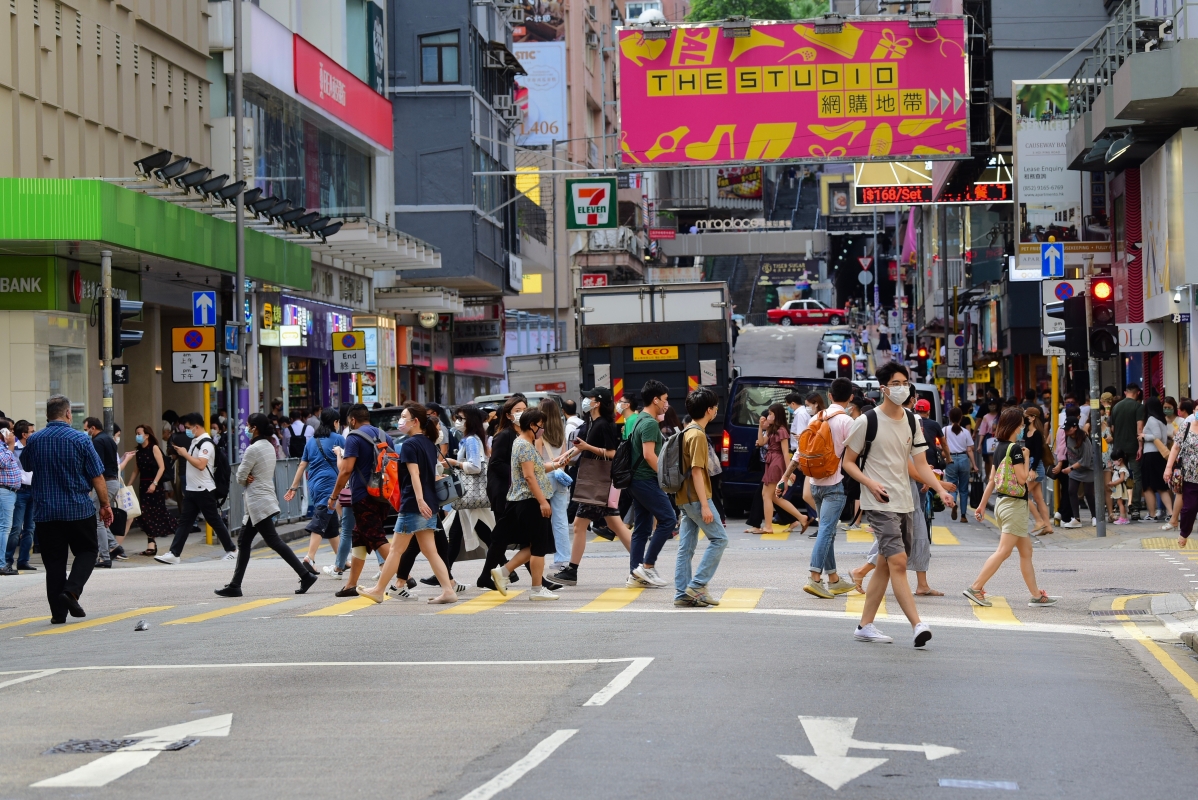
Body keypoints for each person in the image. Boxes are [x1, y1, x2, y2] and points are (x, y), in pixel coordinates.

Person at [840, 362, 954, 648]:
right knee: (899, 561)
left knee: (885, 563)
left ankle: (864, 625)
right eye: (896, 383)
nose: (903, 388)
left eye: (905, 383)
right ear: (884, 388)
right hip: (879, 502)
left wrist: (940, 489)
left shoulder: (913, 421)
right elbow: (848, 462)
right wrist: (870, 483)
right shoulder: (867, 421)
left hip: (905, 502)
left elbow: (921, 464)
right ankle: (918, 625)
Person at [20, 395, 113, 623]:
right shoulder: (81, 439)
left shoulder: (34, 440)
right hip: (77, 509)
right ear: (68, 414)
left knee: (54, 563)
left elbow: (26, 466)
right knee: (88, 551)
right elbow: (97, 476)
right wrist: (105, 505)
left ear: (47, 415)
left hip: (46, 512)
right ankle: (71, 592)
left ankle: (58, 615)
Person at [357, 403, 458, 605]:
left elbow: (414, 474)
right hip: (430, 504)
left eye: (404, 417)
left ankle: (378, 590)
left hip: (414, 504)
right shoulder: (429, 443)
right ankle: (448, 590)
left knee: (395, 550)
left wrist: (419, 500)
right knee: (430, 551)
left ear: (415, 421)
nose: (400, 421)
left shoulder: (410, 445)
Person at [214, 414, 317, 597]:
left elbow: (240, 476)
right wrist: (247, 476)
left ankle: (305, 575)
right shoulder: (269, 445)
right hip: (263, 499)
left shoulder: (253, 449)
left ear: (255, 428)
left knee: (273, 541)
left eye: (248, 426)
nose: (246, 429)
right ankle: (235, 585)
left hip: (258, 502)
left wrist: (246, 477)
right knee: (244, 541)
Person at [965, 407, 1058, 608]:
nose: (1023, 427)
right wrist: (1027, 457)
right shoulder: (1015, 449)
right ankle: (975, 587)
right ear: (1016, 426)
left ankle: (1036, 595)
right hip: (1014, 506)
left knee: (1026, 551)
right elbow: (1023, 479)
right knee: (1004, 551)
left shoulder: (1000, 447)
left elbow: (992, 480)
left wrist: (981, 505)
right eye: (1022, 424)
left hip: (1003, 504)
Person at [776, 377, 856, 599]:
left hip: (814, 483)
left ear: (829, 396)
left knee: (826, 531)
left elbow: (800, 453)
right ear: (850, 398)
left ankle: (834, 580)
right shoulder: (847, 422)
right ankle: (814, 577)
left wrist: (785, 477)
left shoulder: (816, 417)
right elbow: (856, 454)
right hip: (835, 485)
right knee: (826, 531)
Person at [552, 387, 633, 587]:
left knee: (579, 525)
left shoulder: (604, 424)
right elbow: (580, 446)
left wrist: (587, 448)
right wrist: (563, 458)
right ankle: (643, 564)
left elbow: (612, 453)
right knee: (616, 524)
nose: (586, 400)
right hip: (594, 480)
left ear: (598, 403)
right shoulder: (590, 422)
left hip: (598, 481)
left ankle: (572, 571)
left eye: (590, 398)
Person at [490, 407, 562, 601]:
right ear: (532, 425)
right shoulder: (524, 445)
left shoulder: (522, 442)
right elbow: (530, 477)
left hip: (528, 501)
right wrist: (542, 502)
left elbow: (536, 469)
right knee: (538, 547)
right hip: (531, 501)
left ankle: (503, 572)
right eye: (541, 425)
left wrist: (558, 463)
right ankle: (537, 589)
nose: (542, 429)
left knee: (534, 545)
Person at [326, 404, 395, 597]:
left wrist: (334, 496)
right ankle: (351, 585)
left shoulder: (354, 437)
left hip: (363, 496)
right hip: (383, 495)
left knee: (376, 537)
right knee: (358, 537)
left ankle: (404, 576)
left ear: (352, 420)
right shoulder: (385, 436)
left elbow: (346, 470)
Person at [155, 413, 237, 564]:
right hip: (192, 489)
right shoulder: (195, 441)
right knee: (185, 522)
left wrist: (184, 454)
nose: (186, 430)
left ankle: (232, 550)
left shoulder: (206, 444)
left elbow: (201, 464)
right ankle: (174, 553)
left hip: (204, 489)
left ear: (196, 427)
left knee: (214, 520)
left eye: (188, 427)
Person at [674, 387, 728, 607]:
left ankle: (682, 594)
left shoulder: (686, 430)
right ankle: (697, 585)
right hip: (696, 497)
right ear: (709, 410)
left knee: (686, 548)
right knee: (720, 539)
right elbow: (697, 471)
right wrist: (705, 505)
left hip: (684, 497)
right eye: (715, 407)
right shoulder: (697, 435)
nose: (716, 410)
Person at [625, 380, 677, 589]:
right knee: (668, 519)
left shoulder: (639, 419)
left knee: (642, 528)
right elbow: (648, 455)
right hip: (645, 480)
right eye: (664, 399)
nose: (666, 404)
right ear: (655, 400)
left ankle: (635, 574)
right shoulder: (649, 423)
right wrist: (665, 477)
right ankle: (647, 566)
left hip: (636, 480)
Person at [284, 408, 346, 571]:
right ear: (335, 422)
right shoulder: (339, 439)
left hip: (314, 485)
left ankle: (342, 561)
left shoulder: (312, 441)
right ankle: (309, 558)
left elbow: (302, 465)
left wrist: (293, 487)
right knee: (320, 520)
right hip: (330, 485)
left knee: (331, 525)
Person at [477, 395, 527, 590]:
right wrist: (520, 474)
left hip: (516, 493)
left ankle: (486, 576)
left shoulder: (523, 434)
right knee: (505, 539)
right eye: (517, 410)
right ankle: (536, 581)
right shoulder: (505, 435)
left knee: (519, 539)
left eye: (524, 409)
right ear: (508, 415)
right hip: (504, 494)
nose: (521, 413)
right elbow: (496, 463)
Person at [748, 403, 809, 534]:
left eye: (771, 414)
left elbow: (785, 453)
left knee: (766, 495)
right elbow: (761, 442)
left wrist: (789, 471)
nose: (768, 416)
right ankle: (801, 517)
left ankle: (768, 527)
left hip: (776, 462)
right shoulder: (772, 429)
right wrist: (760, 427)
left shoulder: (781, 430)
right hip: (771, 461)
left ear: (777, 415)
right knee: (775, 497)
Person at [119, 425, 173, 557]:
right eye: (136, 433)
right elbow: (136, 470)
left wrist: (154, 483)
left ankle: (154, 542)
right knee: (143, 514)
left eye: (139, 433)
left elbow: (162, 467)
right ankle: (151, 543)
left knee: (153, 513)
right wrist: (128, 486)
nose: (137, 436)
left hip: (155, 485)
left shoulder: (154, 448)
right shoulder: (139, 451)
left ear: (147, 435)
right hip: (143, 485)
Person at [535, 398, 572, 570]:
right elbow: (564, 458)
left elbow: (537, 462)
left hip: (545, 477)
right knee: (561, 519)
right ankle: (562, 559)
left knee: (541, 520)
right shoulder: (560, 432)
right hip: (560, 476)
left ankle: (537, 556)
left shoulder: (539, 435)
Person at [83, 417, 122, 568]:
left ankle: (105, 557)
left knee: (97, 520)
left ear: (93, 428)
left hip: (104, 483)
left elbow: (96, 466)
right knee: (101, 518)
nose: (86, 433)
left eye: (86, 430)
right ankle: (113, 546)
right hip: (112, 481)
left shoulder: (97, 441)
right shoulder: (109, 439)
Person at [1109, 383, 1146, 518]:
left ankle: (1120, 506)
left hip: (1118, 448)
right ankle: (1135, 507)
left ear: (1126, 392)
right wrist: (1140, 446)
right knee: (1136, 476)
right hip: (1133, 447)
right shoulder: (1138, 407)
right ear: (1137, 393)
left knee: (1118, 476)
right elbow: (1139, 428)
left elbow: (1112, 429)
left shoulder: (1116, 407)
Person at [1164, 413, 1198, 549]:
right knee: (1190, 508)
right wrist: (1168, 468)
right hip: (1190, 476)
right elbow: (1175, 447)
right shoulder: (1186, 427)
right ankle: (1184, 532)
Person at [5, 420, 36, 571]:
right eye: (32, 432)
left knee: (30, 528)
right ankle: (7, 559)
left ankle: (23, 560)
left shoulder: (35, 448)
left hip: (34, 490)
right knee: (16, 528)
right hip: (20, 491)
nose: (34, 434)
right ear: (24, 434)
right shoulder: (13, 449)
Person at [1141, 396, 1175, 524]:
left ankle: (1152, 514)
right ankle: (1171, 513)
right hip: (1160, 455)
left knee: (1148, 486)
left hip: (1151, 455)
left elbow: (1157, 436)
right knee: (1161, 486)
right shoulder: (1162, 420)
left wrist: (1144, 436)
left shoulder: (1151, 419)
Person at [1022, 407, 1054, 536]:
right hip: (1030, 465)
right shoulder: (1026, 431)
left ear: (1032, 418)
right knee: (1038, 498)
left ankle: (1039, 521)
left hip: (1036, 467)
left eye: (1026, 416)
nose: (1024, 419)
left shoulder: (1037, 434)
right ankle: (1048, 526)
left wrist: (1033, 469)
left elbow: (1038, 454)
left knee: (1023, 494)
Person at [1059, 419, 1097, 528]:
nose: (1066, 431)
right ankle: (1076, 518)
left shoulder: (1085, 440)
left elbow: (1085, 460)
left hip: (1087, 469)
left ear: (1075, 428)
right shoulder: (1068, 437)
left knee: (1089, 494)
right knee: (1071, 491)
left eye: (1068, 428)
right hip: (1074, 469)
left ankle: (1095, 516)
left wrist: (1070, 468)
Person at [943, 407, 975, 521]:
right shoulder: (965, 432)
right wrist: (974, 465)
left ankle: (953, 503)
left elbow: (940, 445)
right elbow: (970, 449)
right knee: (964, 489)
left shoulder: (944, 430)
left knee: (952, 486)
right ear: (961, 418)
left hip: (950, 459)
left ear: (950, 417)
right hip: (963, 459)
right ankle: (963, 516)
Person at [0, 422, 21, 576]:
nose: (13, 434)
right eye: (11, 430)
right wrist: (11, 445)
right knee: (4, 528)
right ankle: (2, 564)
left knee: (4, 527)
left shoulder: (4, 447)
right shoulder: (4, 447)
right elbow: (2, 462)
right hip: (4, 491)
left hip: (9, 491)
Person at [1109, 450, 1131, 524]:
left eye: (1114, 460)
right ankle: (1125, 518)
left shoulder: (1122, 469)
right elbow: (1116, 474)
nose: (1114, 462)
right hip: (1118, 487)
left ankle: (1122, 518)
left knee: (1120, 502)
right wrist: (1111, 468)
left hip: (1120, 487)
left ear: (1120, 460)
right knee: (1121, 502)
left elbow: (1121, 479)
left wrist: (1113, 483)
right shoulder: (1119, 467)